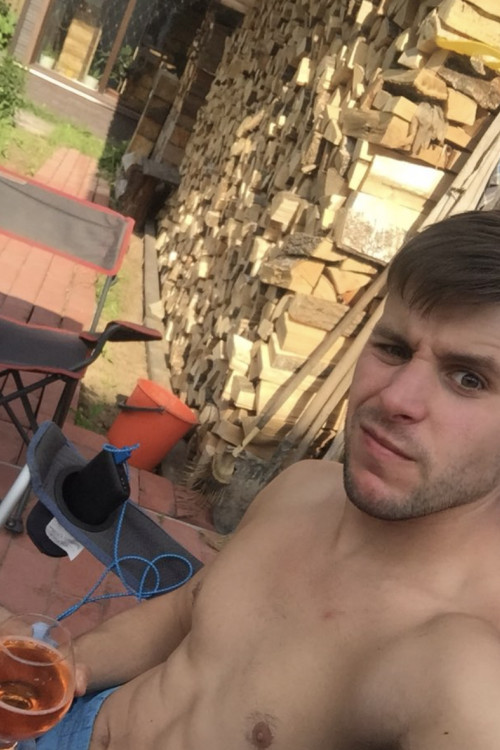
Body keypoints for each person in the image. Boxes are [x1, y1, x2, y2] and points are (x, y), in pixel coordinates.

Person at [7, 208, 500, 749]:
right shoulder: (304, 487)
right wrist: (68, 667)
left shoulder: (469, 681)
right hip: (72, 722)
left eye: (468, 378)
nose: (396, 398)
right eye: (394, 349)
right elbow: (187, 609)